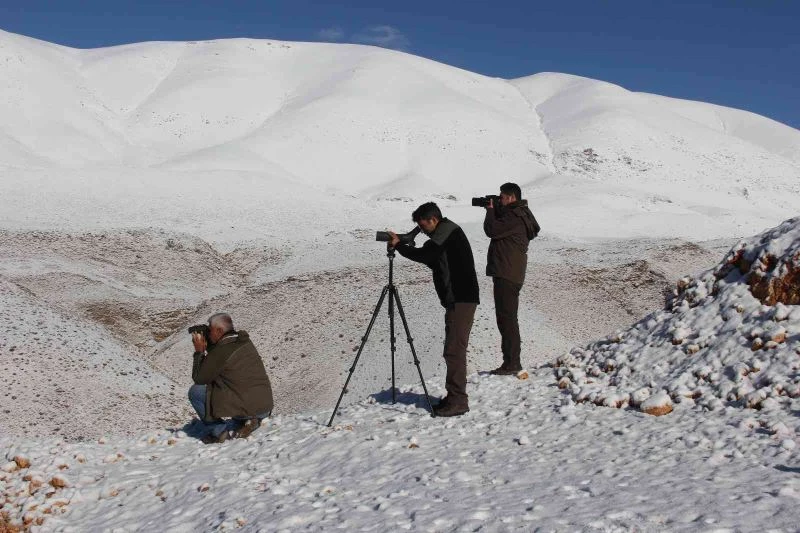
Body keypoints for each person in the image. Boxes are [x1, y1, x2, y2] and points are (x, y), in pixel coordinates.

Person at [389, 202, 479, 417]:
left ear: (433, 220)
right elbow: (435, 261)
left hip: (461, 299)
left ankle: (458, 401)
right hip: (459, 299)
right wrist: (404, 244)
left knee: (454, 351)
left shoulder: (446, 231)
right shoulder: (446, 233)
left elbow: (426, 256)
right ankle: (454, 397)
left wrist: (400, 245)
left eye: (423, 225)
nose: (422, 230)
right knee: (453, 350)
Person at [189, 313, 274, 443]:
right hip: (265, 407)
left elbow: (199, 378)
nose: (209, 333)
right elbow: (220, 355)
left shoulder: (221, 352)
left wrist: (199, 352)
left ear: (219, 331)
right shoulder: (243, 341)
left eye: (210, 330)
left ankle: (219, 432)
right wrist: (210, 339)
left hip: (248, 407)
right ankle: (251, 421)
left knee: (196, 391)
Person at [483, 182, 539, 375]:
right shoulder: (520, 214)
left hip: (506, 273)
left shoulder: (515, 217)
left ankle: (512, 363)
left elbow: (491, 230)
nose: (500, 200)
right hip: (511, 272)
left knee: (506, 319)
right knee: (507, 318)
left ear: (512, 197)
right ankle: (511, 361)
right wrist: (497, 209)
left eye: (502, 197)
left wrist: (490, 210)